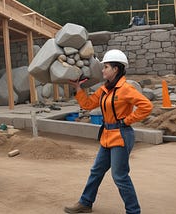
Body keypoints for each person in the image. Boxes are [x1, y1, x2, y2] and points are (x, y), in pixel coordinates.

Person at [65, 49, 153, 214]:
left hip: (121, 136)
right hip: (107, 135)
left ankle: (133, 211)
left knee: (119, 176)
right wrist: (78, 88)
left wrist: (127, 120)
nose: (103, 70)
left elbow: (146, 106)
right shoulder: (105, 89)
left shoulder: (126, 89)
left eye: (106, 67)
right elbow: (88, 104)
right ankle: (85, 203)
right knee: (96, 171)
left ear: (116, 69)